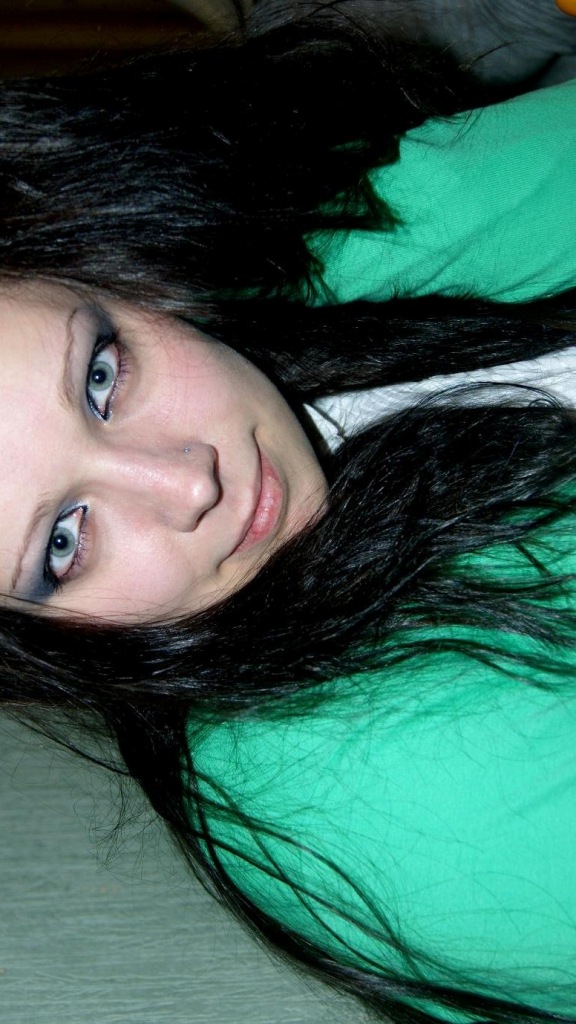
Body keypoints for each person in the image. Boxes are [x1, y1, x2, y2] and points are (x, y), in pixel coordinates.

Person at [1, 7, 576, 1024]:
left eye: (102, 376)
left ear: (105, 269)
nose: (189, 484)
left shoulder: (304, 268)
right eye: (65, 542)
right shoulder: (378, 791)